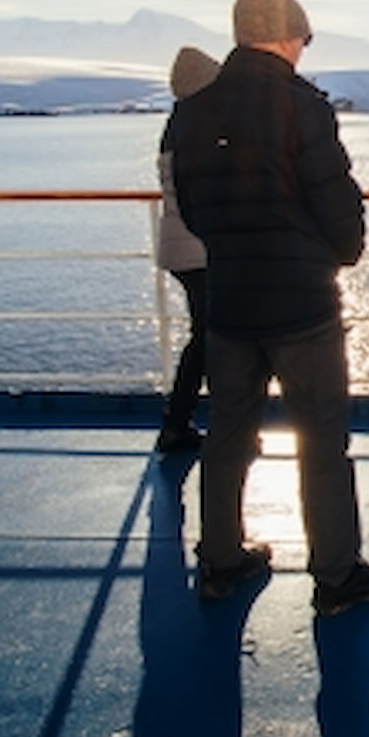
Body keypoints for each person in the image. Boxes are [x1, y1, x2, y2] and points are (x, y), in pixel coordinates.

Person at [162, 0, 369, 616]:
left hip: (231, 299)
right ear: (288, 36)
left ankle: (219, 560)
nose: (301, 50)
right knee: (321, 439)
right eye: (302, 38)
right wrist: (340, 252)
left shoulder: (193, 110)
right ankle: (337, 575)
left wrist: (233, 249)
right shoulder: (302, 106)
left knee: (228, 435)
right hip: (301, 307)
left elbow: (190, 207)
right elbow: (335, 198)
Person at [154, 46, 221, 456]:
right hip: (200, 248)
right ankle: (184, 424)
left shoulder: (178, 123)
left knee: (207, 338)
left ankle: (180, 422)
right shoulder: (202, 125)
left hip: (181, 247)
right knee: (213, 339)